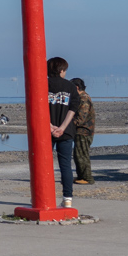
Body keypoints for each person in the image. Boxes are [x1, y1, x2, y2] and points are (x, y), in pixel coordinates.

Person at [46, 57, 81, 207]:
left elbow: (37, 108)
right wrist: (62, 127)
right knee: (65, 165)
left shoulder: (42, 84)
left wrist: (50, 126)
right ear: (61, 70)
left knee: (44, 164)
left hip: (46, 131)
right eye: (65, 70)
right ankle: (67, 198)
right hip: (66, 132)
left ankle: (44, 197)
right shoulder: (70, 87)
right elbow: (73, 108)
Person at [71, 76, 96, 185]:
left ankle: (87, 178)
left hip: (83, 131)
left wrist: (68, 124)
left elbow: (81, 118)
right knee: (78, 154)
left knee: (82, 154)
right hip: (81, 131)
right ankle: (81, 176)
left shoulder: (83, 99)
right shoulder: (82, 98)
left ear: (76, 88)